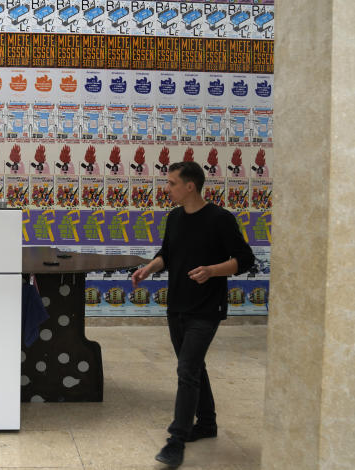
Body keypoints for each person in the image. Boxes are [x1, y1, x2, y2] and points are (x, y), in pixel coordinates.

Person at [131, 161, 255, 467]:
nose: (166, 188)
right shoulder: (174, 218)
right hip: (177, 305)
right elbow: (167, 255)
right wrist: (149, 267)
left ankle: (176, 441)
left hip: (206, 308)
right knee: (193, 366)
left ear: (190, 186)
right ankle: (208, 424)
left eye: (172, 183)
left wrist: (212, 271)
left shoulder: (219, 219)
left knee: (186, 371)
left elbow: (245, 259)